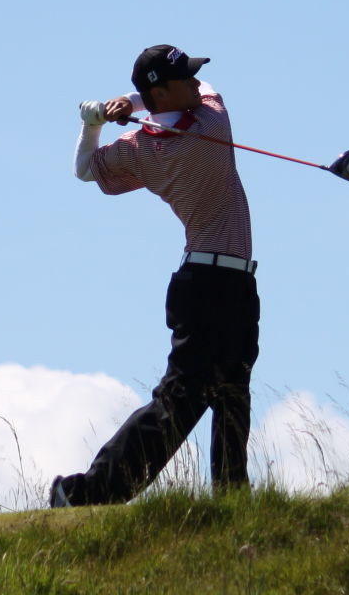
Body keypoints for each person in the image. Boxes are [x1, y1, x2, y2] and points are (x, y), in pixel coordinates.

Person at [49, 45, 259, 507]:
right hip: (207, 285)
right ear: (162, 92)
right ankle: (83, 493)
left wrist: (96, 122)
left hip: (231, 281)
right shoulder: (211, 124)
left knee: (233, 391)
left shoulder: (143, 149)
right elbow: (207, 93)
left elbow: (86, 169)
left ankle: (232, 500)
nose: (194, 82)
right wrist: (129, 104)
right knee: (180, 402)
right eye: (182, 78)